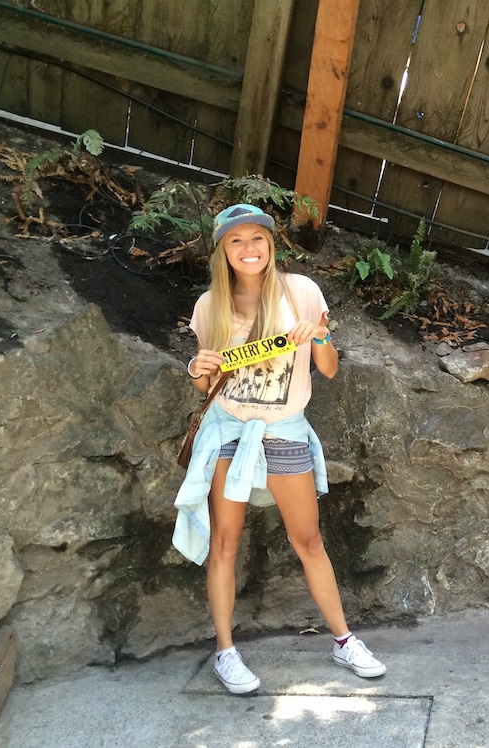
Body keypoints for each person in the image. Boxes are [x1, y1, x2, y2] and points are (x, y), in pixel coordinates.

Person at [171, 203, 386, 695]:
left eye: (257, 239)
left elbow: (328, 369)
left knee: (308, 539)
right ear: (222, 250)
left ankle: (344, 639)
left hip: (284, 430)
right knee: (225, 543)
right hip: (229, 431)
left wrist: (322, 334)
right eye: (236, 241)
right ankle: (225, 650)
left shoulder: (302, 292)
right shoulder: (210, 306)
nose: (249, 249)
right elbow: (209, 387)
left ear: (272, 244)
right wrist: (196, 367)